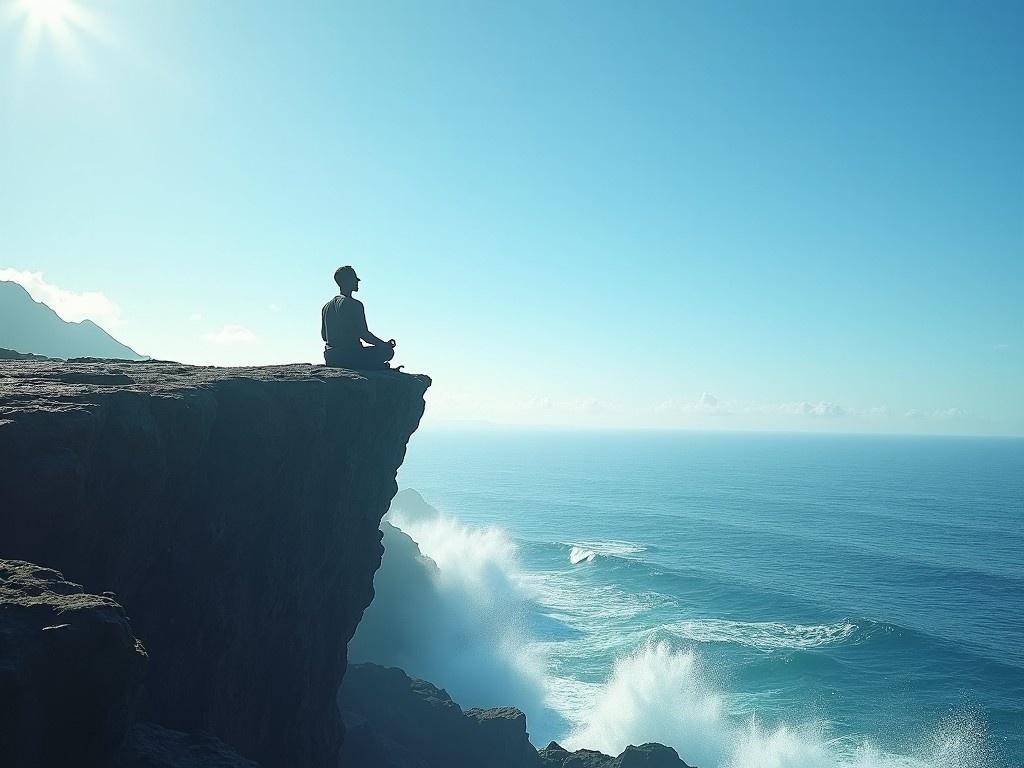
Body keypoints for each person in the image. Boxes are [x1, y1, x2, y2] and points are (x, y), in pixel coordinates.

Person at [321, 266, 396, 369]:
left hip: (331, 358)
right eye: (354, 278)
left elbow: (324, 336)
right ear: (347, 280)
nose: (357, 281)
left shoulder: (326, 307)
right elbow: (365, 335)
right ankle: (374, 366)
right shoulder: (354, 304)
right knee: (388, 352)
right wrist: (385, 345)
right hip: (351, 357)